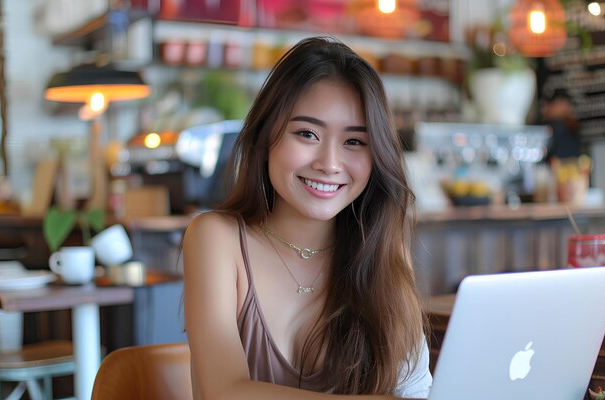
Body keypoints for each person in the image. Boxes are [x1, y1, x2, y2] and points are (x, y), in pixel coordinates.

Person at [183, 36, 432, 400]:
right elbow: (223, 391)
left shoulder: (381, 248)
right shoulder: (216, 238)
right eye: (307, 133)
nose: (329, 164)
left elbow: (413, 389)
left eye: (354, 142)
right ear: (266, 137)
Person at [541, 89, 582, 161]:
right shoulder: (545, 126)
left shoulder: (571, 125)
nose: (565, 107)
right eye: (560, 103)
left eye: (567, 103)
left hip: (572, 167)